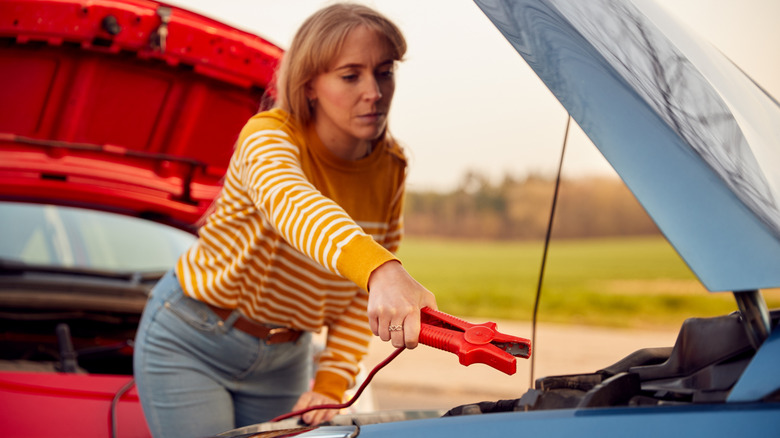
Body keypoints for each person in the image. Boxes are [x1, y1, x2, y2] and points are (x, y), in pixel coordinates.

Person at [132, 3, 437, 437]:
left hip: (286, 358)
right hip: (192, 339)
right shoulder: (267, 135)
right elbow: (290, 204)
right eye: (351, 76)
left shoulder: (391, 166)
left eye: (384, 72)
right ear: (310, 85)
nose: (374, 91)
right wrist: (380, 268)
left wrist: (331, 381)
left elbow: (357, 298)